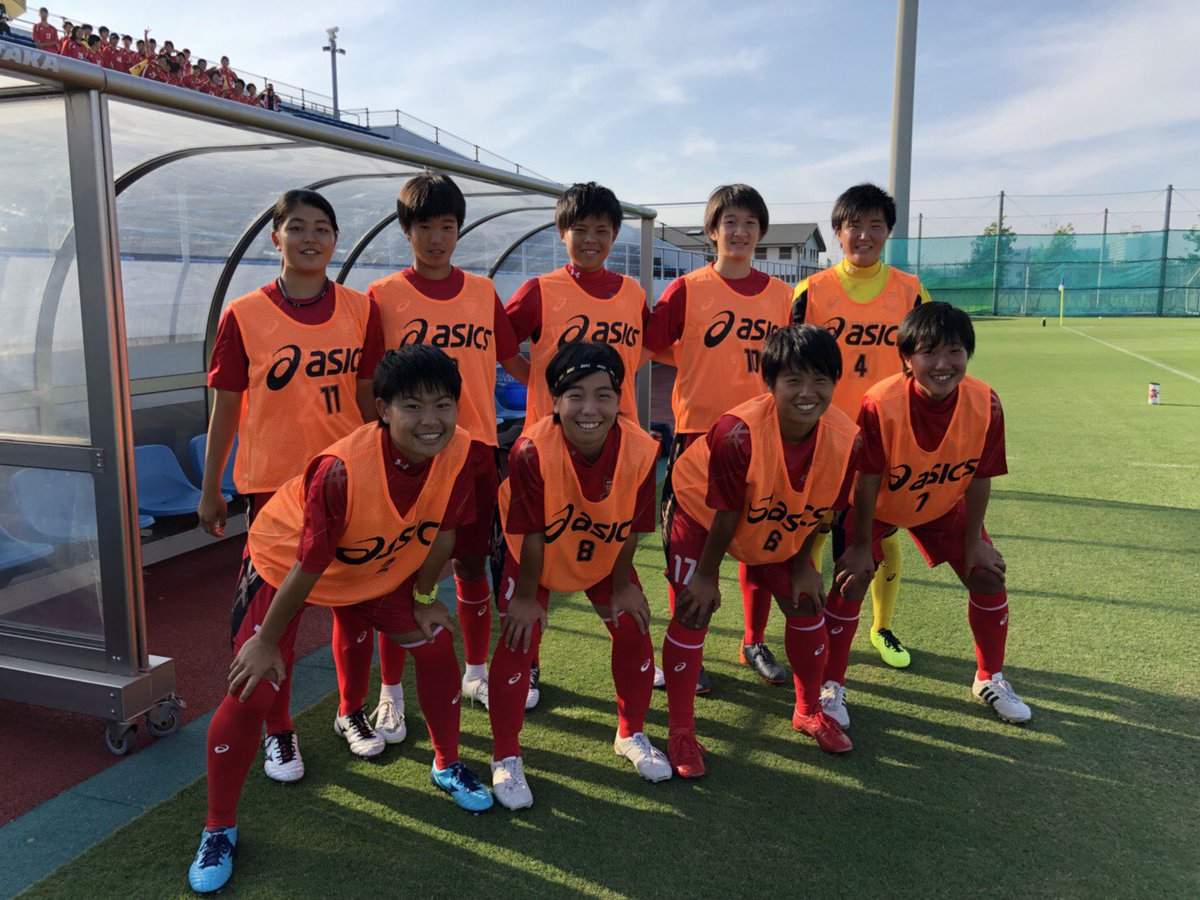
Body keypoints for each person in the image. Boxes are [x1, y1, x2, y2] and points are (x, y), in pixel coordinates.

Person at [187, 345, 493, 893]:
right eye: (413, 406)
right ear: (382, 409)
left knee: (434, 644)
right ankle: (218, 828)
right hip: (284, 564)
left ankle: (446, 765)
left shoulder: (461, 450)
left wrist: (424, 596)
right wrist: (267, 641)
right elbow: (310, 564)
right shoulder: (342, 469)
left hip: (370, 564)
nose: (430, 420)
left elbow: (444, 534)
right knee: (253, 686)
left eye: (443, 405)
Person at [199, 189, 385, 780]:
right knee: (275, 617)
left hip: (348, 482)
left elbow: (369, 399)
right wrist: (210, 487)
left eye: (322, 228)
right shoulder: (244, 314)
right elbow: (226, 408)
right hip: (274, 492)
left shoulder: (361, 309)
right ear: (275, 237)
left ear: (335, 240)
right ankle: (279, 730)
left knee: (355, 607)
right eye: (298, 227)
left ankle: (351, 712)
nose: (311, 238)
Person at [354, 173, 526, 748]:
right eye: (424, 227)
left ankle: (476, 672)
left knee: (472, 566)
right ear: (406, 230)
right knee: (398, 573)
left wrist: (570, 396)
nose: (436, 238)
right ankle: (391, 693)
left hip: (474, 452)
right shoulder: (382, 295)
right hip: (407, 455)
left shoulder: (482, 291)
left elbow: (513, 360)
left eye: (447, 227)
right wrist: (378, 442)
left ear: (459, 231)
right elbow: (368, 381)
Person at [661, 325, 865, 774]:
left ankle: (808, 710)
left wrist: (804, 562)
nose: (808, 393)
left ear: (836, 381)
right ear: (769, 382)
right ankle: (681, 732)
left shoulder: (847, 439)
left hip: (767, 512)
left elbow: (817, 506)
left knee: (806, 602)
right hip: (699, 513)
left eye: (820, 380)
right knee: (694, 609)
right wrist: (707, 575)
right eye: (794, 380)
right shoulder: (738, 432)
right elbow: (726, 512)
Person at [821, 302, 1030, 733]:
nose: (942, 364)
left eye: (954, 351)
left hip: (940, 502)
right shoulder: (881, 403)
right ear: (906, 359)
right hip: (878, 505)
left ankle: (989, 679)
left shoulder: (985, 402)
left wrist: (975, 542)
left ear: (968, 354)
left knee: (986, 573)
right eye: (929, 352)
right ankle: (830, 683)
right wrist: (859, 545)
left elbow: (980, 476)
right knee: (851, 579)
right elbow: (866, 480)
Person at [489, 341, 666, 808]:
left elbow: (633, 527)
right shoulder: (531, 450)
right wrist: (527, 596)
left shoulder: (642, 448)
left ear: (619, 399)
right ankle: (505, 754)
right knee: (518, 637)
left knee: (633, 626)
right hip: (536, 556)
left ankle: (630, 733)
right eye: (576, 396)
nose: (590, 409)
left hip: (603, 551)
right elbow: (532, 534)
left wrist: (623, 585)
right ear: (554, 402)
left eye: (603, 395)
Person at [504, 181, 649, 709]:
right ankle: (529, 664)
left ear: (615, 234)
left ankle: (630, 648)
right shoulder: (540, 290)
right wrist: (539, 386)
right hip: (550, 451)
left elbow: (643, 350)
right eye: (580, 230)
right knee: (537, 552)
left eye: (602, 231)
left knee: (611, 542)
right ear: (561, 233)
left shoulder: (633, 293)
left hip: (614, 447)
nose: (591, 240)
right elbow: (503, 344)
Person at [644, 183, 794, 692]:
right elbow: (652, 344)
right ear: (712, 231)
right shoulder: (687, 289)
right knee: (686, 552)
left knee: (759, 546)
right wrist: (692, 360)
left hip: (761, 438)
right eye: (730, 222)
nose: (740, 232)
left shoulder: (781, 296)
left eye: (750, 223)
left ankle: (753, 640)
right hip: (698, 440)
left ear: (761, 231)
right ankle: (690, 647)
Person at [795, 183, 931, 673]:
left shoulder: (911, 289)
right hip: (821, 434)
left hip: (885, 436)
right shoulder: (810, 292)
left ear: (889, 232)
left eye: (876, 225)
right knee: (810, 529)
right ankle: (809, 619)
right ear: (838, 232)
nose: (865, 235)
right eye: (855, 225)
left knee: (881, 535)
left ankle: (881, 626)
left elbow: (927, 359)